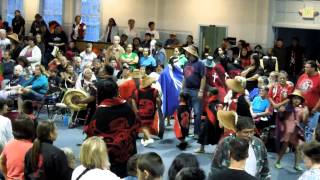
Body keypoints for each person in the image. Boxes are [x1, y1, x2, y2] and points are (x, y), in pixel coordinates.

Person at [84, 79, 137, 178]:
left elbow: (92, 136)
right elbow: (134, 128)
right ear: (117, 91)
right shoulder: (127, 107)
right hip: (128, 153)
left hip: (108, 159)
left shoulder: (100, 112)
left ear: (100, 94)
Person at [209, 114, 270, 179]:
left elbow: (265, 169)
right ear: (237, 131)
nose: (249, 135)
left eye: (252, 132)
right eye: (246, 132)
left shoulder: (259, 143)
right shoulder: (225, 143)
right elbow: (215, 167)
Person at [275, 89, 308, 171]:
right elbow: (281, 117)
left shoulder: (303, 109)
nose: (296, 100)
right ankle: (278, 162)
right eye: (295, 98)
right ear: (292, 99)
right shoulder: (287, 107)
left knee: (299, 148)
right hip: (288, 130)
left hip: (297, 131)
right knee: (284, 147)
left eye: (298, 98)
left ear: (301, 100)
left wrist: (306, 114)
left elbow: (304, 121)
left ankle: (296, 165)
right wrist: (281, 111)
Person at [0, 114, 34, 180]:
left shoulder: (9, 145)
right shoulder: (34, 148)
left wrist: (6, 177)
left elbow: (1, 161)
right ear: (32, 131)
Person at [182, 45, 206, 139]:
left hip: (196, 90)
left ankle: (197, 132)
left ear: (191, 53)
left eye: (187, 52)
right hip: (187, 90)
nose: (186, 53)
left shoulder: (200, 64)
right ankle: (186, 131)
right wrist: (182, 89)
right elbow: (184, 77)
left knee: (197, 113)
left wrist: (201, 90)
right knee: (186, 113)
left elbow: (203, 77)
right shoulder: (186, 63)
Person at [132, 76, 161, 146]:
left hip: (141, 112)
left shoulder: (137, 91)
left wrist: (135, 110)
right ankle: (145, 141)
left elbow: (133, 100)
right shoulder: (155, 91)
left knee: (143, 126)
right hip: (151, 112)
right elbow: (158, 100)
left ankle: (149, 138)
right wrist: (158, 107)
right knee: (147, 125)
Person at [296, 60, 320, 142]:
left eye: (307, 67)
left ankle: (308, 152)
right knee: (300, 130)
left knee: (309, 131)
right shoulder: (303, 76)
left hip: (313, 110)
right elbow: (297, 90)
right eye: (305, 67)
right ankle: (300, 151)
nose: (305, 68)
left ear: (313, 68)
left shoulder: (319, 78)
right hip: (301, 109)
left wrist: (316, 108)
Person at [195, 87, 223, 153]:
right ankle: (202, 149)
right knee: (204, 134)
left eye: (208, 91)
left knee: (216, 135)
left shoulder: (217, 104)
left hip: (214, 123)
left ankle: (217, 150)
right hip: (208, 121)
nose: (207, 93)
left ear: (211, 93)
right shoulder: (210, 101)